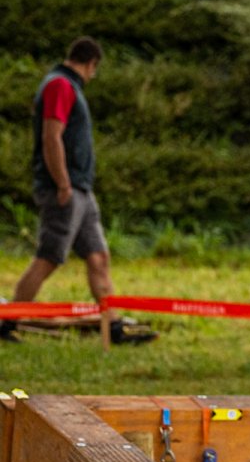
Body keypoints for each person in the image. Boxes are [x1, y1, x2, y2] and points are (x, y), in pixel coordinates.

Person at [0, 37, 156, 345]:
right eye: (94, 70)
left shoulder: (67, 86)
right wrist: (62, 183)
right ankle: (7, 322)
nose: (93, 76)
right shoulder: (60, 85)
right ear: (90, 63)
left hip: (81, 190)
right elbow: (51, 136)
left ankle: (111, 327)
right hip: (65, 190)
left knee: (98, 256)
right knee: (49, 257)